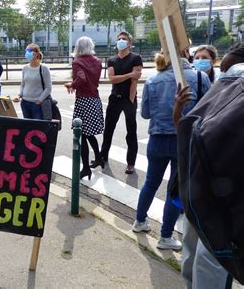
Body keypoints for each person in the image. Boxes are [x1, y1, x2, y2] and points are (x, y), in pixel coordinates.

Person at [174, 43, 244, 289]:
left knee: (210, 262)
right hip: (202, 194)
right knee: (193, 256)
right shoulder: (222, 88)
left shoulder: (233, 86)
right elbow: (188, 131)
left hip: (222, 202)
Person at [133, 52, 211, 251]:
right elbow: (208, 110)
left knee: (150, 182)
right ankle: (165, 236)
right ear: (186, 53)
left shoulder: (153, 80)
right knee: (174, 189)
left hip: (157, 138)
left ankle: (140, 221)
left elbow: (145, 113)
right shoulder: (200, 78)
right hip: (183, 139)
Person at [100, 31, 143, 174]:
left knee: (131, 132)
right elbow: (112, 79)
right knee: (108, 129)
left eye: (124, 39)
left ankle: (131, 163)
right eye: (119, 39)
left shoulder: (136, 58)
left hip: (129, 99)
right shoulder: (112, 60)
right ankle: (103, 157)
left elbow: (134, 81)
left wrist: (131, 100)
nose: (121, 41)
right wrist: (130, 74)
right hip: (115, 97)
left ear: (130, 44)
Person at [64, 36, 104, 180]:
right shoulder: (98, 61)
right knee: (88, 133)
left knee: (82, 134)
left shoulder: (77, 62)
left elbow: (81, 79)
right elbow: (89, 79)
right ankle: (98, 158)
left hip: (83, 100)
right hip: (94, 99)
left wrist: (72, 85)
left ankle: (86, 167)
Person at [14, 44, 52, 120]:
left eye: (30, 51)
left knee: (38, 128)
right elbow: (23, 84)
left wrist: (40, 100)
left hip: (37, 104)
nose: (27, 53)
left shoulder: (44, 68)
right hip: (25, 103)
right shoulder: (25, 68)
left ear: (36, 54)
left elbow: (48, 87)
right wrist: (19, 95)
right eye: (26, 51)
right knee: (28, 128)